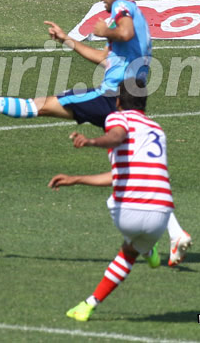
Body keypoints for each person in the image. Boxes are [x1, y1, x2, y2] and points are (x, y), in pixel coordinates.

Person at [0, 0, 192, 265]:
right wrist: (67, 40)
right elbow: (106, 58)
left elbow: (124, 32)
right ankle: (170, 236)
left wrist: (106, 30)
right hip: (127, 99)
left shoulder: (123, 8)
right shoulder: (140, 18)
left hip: (111, 96)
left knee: (42, 105)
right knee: (136, 167)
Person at [48, 78, 175, 322]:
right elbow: (122, 175)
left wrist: (91, 141)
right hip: (162, 214)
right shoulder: (158, 130)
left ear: (117, 102)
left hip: (128, 212)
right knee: (129, 251)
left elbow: (116, 136)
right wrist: (76, 179)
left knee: (128, 228)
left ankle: (145, 249)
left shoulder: (118, 118)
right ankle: (89, 304)